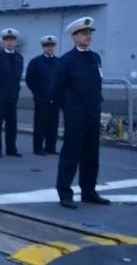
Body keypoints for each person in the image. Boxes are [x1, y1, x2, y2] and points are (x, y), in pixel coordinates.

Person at [49, 17, 110, 209]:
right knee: (71, 153)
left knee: (92, 154)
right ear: (74, 37)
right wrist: (67, 110)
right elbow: (56, 88)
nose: (88, 37)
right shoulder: (66, 61)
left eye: (89, 33)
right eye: (84, 34)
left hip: (92, 112)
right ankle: (65, 192)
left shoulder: (95, 58)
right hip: (75, 114)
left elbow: (96, 84)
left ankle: (88, 191)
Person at [0, 28, 24, 157]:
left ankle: (11, 149)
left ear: (16, 42)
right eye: (7, 40)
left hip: (13, 96)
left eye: (12, 40)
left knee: (12, 124)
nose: (10, 43)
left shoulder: (19, 57)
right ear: (3, 42)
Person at [26, 35, 60, 155]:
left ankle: (50, 147)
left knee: (53, 123)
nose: (49, 48)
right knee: (40, 123)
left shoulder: (58, 62)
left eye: (51, 46)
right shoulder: (36, 62)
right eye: (47, 46)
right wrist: (37, 93)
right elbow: (30, 79)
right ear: (43, 47)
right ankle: (38, 148)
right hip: (41, 98)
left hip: (55, 99)